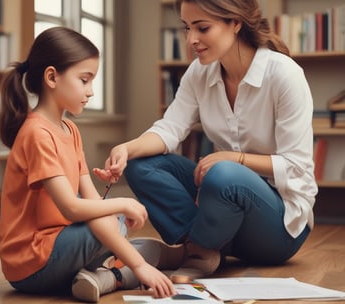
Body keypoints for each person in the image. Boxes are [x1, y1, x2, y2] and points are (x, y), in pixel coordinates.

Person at [95, 0, 318, 277]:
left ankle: (196, 251)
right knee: (141, 165)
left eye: (202, 28)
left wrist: (234, 159)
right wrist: (126, 149)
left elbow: (296, 166)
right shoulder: (199, 73)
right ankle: (203, 247)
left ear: (235, 23)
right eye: (187, 28)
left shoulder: (284, 75)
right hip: (223, 205)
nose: (191, 40)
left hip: (280, 226)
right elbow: (170, 128)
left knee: (224, 173)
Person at [0, 26, 185, 303]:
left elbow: (92, 202)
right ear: (52, 77)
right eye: (84, 80)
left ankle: (103, 277)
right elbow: (72, 209)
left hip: (57, 245)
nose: (91, 91)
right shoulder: (36, 133)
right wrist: (123, 204)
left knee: (111, 220)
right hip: (30, 264)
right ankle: (125, 271)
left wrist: (115, 209)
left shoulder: (69, 130)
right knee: (114, 221)